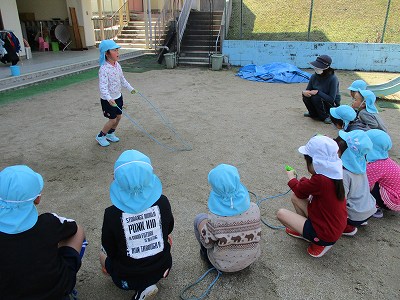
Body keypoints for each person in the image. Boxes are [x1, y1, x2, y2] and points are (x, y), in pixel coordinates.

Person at [0, 165, 86, 299]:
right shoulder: (49, 222)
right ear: (37, 199)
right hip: (56, 292)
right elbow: (73, 227)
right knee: (78, 231)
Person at [100, 150, 174, 300]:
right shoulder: (163, 202)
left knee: (103, 253)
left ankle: (141, 287)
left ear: (115, 179)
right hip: (163, 267)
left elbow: (110, 248)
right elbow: (169, 227)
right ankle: (151, 280)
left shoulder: (111, 214)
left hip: (125, 279)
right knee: (166, 236)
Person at [277, 135, 347, 258]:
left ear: (314, 162)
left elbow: (300, 191)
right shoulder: (333, 173)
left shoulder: (321, 180)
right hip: (331, 224)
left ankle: (319, 242)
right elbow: (306, 188)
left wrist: (291, 178)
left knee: (281, 213)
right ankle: (303, 230)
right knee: (295, 198)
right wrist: (303, 181)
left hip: (325, 233)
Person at [194, 164, 261, 272]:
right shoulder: (254, 208)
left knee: (199, 218)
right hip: (250, 260)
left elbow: (208, 243)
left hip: (222, 265)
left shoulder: (215, 219)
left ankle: (205, 256)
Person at [334, 130, 376, 236]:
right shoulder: (360, 166)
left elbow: (340, 200)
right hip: (369, 208)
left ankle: (347, 227)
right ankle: (360, 218)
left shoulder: (343, 174)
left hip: (355, 216)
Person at [96, 39, 136, 147]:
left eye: (117, 50)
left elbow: (122, 79)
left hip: (118, 96)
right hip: (108, 100)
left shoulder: (117, 65)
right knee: (112, 120)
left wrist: (131, 88)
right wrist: (109, 99)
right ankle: (101, 136)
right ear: (107, 53)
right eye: (114, 50)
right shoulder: (104, 69)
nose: (117, 53)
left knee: (119, 117)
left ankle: (110, 133)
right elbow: (103, 87)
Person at [365, 129, 400, 218]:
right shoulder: (385, 159)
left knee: (365, 182)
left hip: (394, 200)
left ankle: (375, 208)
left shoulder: (375, 166)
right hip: (396, 196)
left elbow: (365, 185)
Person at [302, 55, 341, 124]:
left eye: (319, 67)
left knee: (316, 97)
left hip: (331, 104)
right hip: (319, 101)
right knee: (306, 96)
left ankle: (326, 116)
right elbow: (308, 90)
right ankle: (313, 113)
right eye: (316, 67)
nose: (316, 68)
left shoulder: (333, 78)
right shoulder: (314, 76)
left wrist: (318, 92)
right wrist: (304, 92)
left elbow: (332, 99)